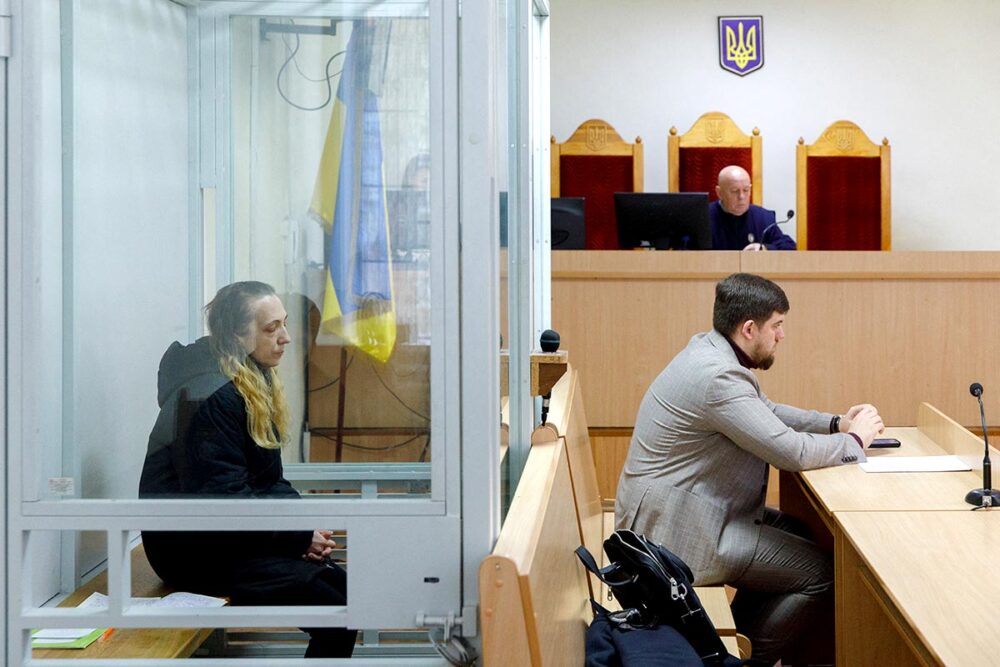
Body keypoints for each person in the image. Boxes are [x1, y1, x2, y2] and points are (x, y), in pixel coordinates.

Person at [615, 273, 883, 664]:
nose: (782, 336)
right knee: (821, 572)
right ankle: (735, 662)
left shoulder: (711, 350)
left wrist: (835, 422)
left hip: (682, 510)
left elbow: (766, 412)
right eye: (777, 326)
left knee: (800, 530)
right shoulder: (719, 376)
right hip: (678, 532)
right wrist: (855, 442)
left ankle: (734, 638)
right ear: (748, 328)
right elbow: (789, 451)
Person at [139, 281, 356, 658]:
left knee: (347, 595)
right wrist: (298, 536)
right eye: (272, 329)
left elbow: (267, 480)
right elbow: (224, 500)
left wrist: (305, 529)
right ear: (239, 336)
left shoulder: (246, 379)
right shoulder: (211, 396)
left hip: (224, 538)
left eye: (283, 324)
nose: (286, 338)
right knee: (338, 609)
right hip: (190, 552)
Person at [710, 165, 796, 251]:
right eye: (734, 191)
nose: (741, 196)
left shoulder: (763, 217)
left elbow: (788, 245)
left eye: (746, 190)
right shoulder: (703, 217)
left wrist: (764, 248)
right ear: (719, 193)